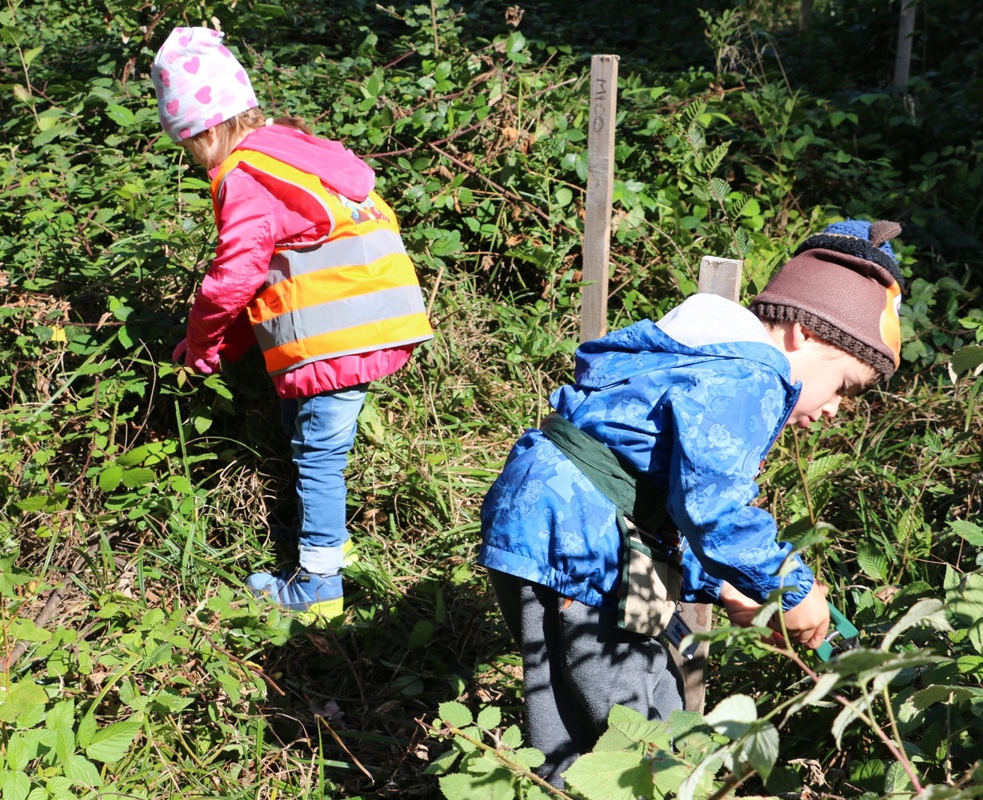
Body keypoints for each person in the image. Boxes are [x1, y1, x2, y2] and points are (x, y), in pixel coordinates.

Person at [478, 220, 905, 785]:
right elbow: (716, 511)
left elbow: (671, 500)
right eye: (845, 387)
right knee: (639, 725)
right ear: (804, 333)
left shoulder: (702, 354)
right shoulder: (751, 373)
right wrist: (791, 588)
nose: (835, 409)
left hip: (551, 520)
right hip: (585, 537)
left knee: (565, 713)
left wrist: (728, 588)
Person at [151, 27, 435, 619]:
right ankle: (332, 544)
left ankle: (318, 588)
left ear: (207, 130)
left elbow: (233, 276)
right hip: (378, 321)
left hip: (335, 338)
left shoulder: (245, 174)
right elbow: (272, 271)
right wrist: (224, 342)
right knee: (311, 437)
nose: (194, 161)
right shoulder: (295, 151)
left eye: (190, 148)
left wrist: (202, 342)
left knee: (318, 457)